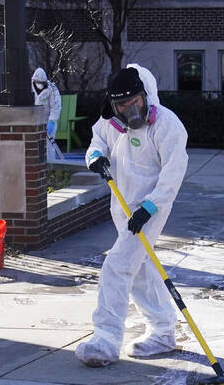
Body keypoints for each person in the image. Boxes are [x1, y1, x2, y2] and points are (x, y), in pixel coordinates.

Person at [77, 64, 189, 367]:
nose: (130, 108)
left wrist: (149, 209)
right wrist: (95, 157)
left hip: (151, 208)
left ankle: (106, 339)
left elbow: (173, 173)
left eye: (134, 101)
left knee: (117, 266)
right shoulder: (111, 122)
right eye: (123, 104)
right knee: (139, 268)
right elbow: (97, 141)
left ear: (145, 96)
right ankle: (163, 331)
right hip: (122, 205)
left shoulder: (167, 125)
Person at [31, 67, 63, 156]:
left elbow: (56, 106)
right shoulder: (28, 87)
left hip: (48, 120)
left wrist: (52, 121)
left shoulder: (52, 89)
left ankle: (51, 166)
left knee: (49, 148)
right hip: (33, 121)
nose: (40, 85)